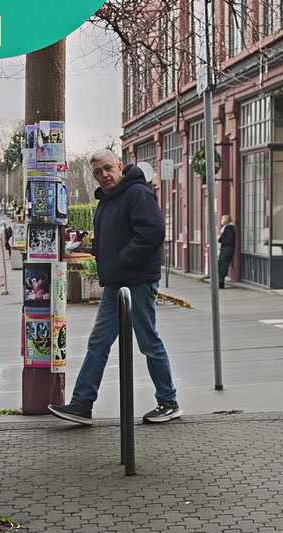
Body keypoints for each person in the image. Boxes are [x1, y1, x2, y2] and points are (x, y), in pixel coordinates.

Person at [48, 150, 181, 424]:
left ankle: (169, 402)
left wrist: (122, 260)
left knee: (148, 342)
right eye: (98, 172)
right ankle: (82, 404)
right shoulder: (107, 201)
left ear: (119, 167)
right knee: (98, 342)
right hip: (116, 284)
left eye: (108, 168)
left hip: (138, 281)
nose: (104, 175)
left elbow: (152, 232)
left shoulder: (137, 193)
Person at [217, 214, 235, 288]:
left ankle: (220, 283)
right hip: (225, 249)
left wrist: (220, 239)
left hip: (226, 250)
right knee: (220, 265)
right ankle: (219, 282)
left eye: (222, 219)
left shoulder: (229, 228)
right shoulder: (225, 228)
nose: (221, 220)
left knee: (222, 266)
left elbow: (229, 239)